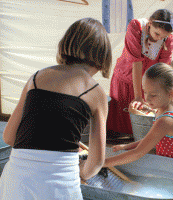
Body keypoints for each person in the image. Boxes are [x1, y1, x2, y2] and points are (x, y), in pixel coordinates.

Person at [0, 18, 112, 199]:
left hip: (16, 180)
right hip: (59, 185)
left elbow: (9, 136)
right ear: (102, 58)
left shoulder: (36, 78)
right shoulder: (96, 93)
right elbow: (97, 161)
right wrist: (83, 172)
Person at [107, 9, 173, 139]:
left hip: (147, 85)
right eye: (157, 34)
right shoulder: (136, 27)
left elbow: (162, 69)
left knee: (140, 130)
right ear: (150, 23)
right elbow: (136, 62)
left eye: (163, 37)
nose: (159, 38)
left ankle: (139, 151)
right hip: (125, 79)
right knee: (119, 131)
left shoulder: (168, 40)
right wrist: (138, 97)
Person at [104, 63, 173, 167]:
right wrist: (126, 146)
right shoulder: (167, 107)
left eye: (153, 95)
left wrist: (102, 163)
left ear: (170, 93)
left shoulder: (165, 121)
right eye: (145, 92)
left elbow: (137, 153)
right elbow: (151, 138)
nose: (147, 99)